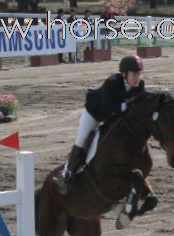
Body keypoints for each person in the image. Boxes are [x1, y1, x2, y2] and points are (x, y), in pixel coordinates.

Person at [52, 54, 146, 195]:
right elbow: (107, 108)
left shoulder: (139, 85)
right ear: (124, 74)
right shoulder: (112, 82)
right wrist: (126, 106)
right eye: (134, 74)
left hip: (112, 117)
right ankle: (66, 174)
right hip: (95, 113)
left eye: (138, 74)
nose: (137, 77)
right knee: (82, 139)